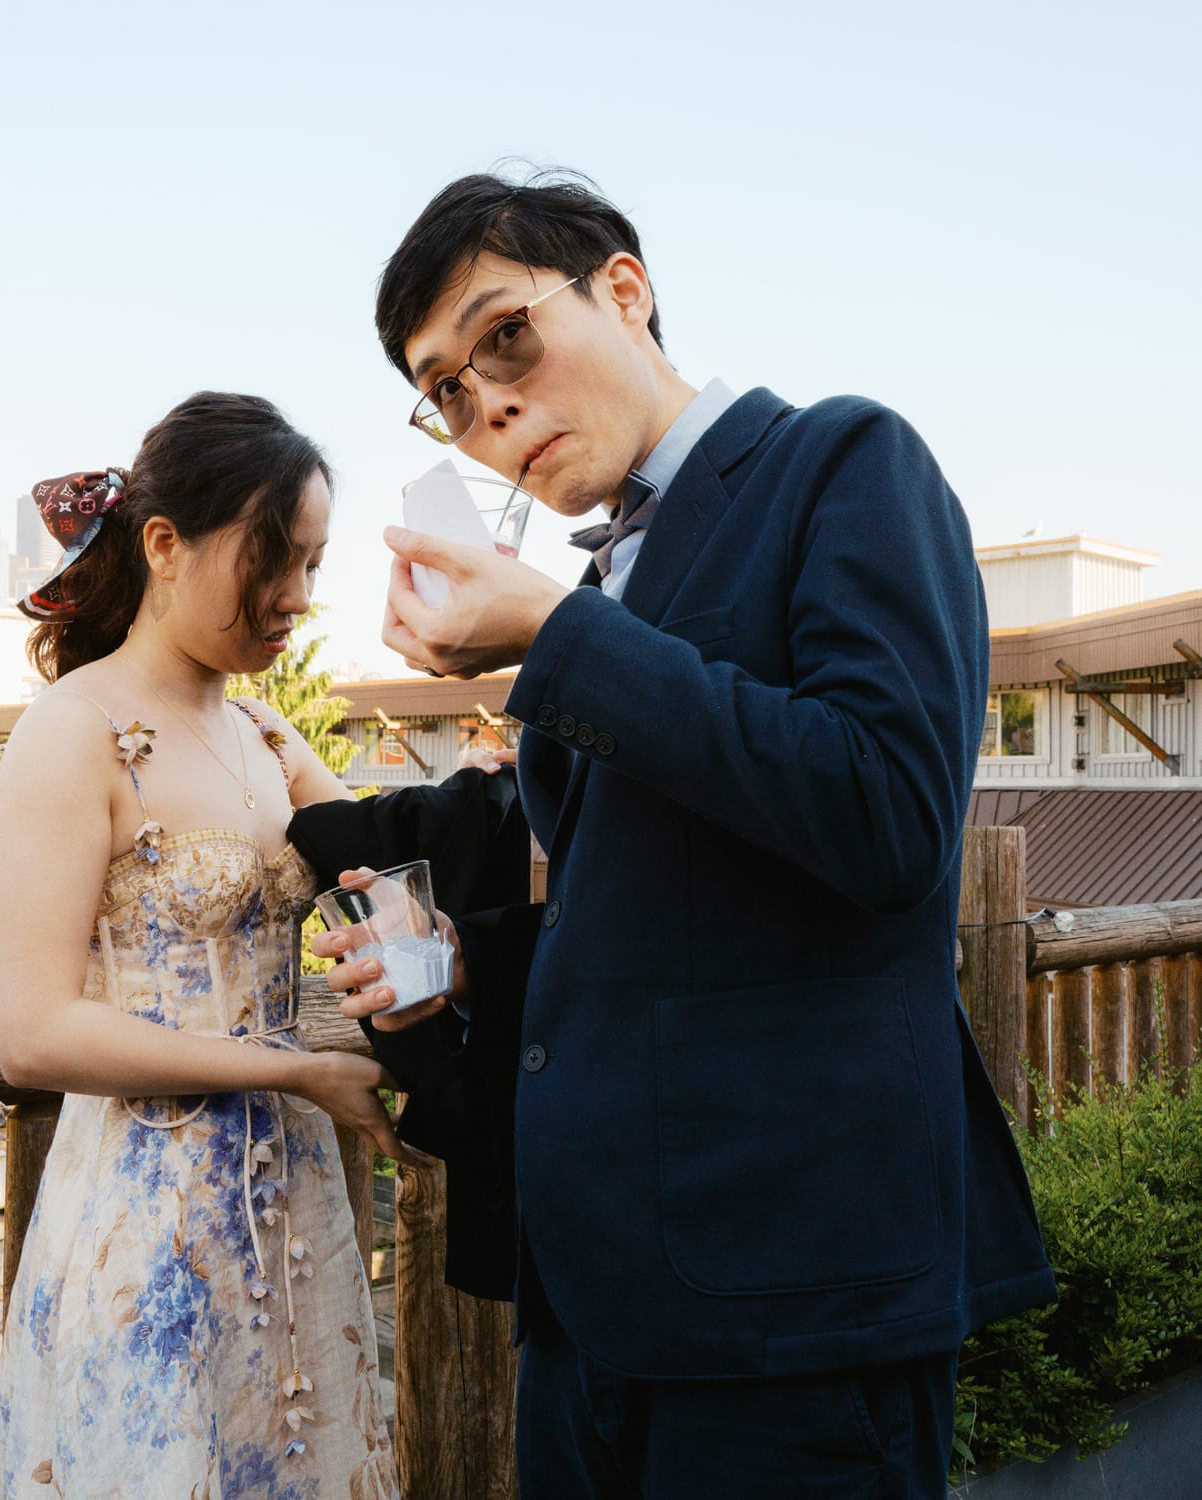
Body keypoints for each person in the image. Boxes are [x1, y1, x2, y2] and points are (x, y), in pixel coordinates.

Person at [316, 172, 1058, 1498]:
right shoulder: (602, 578)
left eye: (506, 337)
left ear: (623, 288)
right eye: (445, 390)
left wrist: (555, 638)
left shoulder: (840, 462)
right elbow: (667, 910)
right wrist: (476, 952)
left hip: (793, 1295)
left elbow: (888, 814)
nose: (486, 405)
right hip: (596, 1299)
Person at [0, 392, 404, 1499]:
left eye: (312, 565)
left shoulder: (266, 732)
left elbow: (382, 874)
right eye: (273, 561)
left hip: (295, 1214)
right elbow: (32, 1034)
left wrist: (425, 918)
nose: (297, 600)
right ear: (164, 545)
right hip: (145, 1218)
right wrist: (301, 1070)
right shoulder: (73, 731)